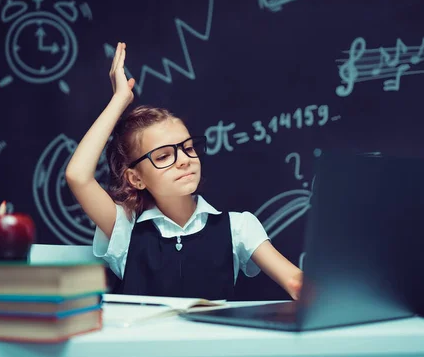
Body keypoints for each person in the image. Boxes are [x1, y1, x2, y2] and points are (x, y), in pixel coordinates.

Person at [65, 42, 303, 300]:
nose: (184, 160)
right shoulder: (124, 229)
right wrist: (120, 100)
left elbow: (295, 281)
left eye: (188, 148)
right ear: (136, 178)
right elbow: (78, 176)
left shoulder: (238, 226)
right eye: (164, 155)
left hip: (213, 341)